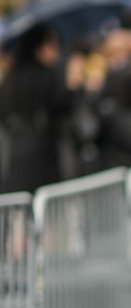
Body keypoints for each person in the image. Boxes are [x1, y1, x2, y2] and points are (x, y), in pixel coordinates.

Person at [0, 23, 79, 192]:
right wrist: (73, 87)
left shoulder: (12, 76)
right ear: (39, 47)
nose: (56, 52)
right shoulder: (48, 75)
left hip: (16, 150)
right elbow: (62, 107)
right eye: (52, 46)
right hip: (43, 152)